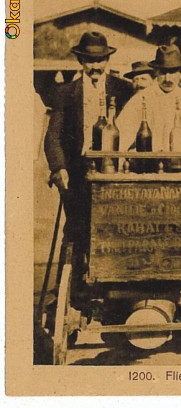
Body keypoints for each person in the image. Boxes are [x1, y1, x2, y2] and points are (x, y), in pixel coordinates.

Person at [44, 31, 132, 276]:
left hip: (114, 172)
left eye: (100, 60)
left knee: (114, 229)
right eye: (89, 60)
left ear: (107, 61)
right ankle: (69, 292)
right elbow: (53, 135)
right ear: (80, 61)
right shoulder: (65, 92)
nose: (95, 66)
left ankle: (109, 285)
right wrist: (58, 167)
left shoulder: (124, 89)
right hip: (78, 172)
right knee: (75, 231)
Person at [117, 44, 181, 153]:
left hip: (179, 164)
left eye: (172, 72)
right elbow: (121, 135)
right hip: (148, 164)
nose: (167, 79)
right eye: (163, 73)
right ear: (156, 72)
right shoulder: (141, 99)